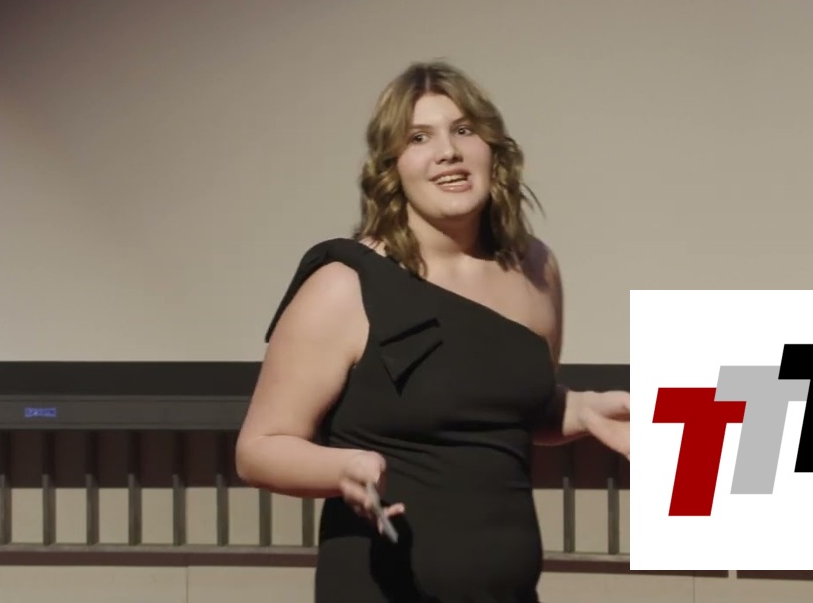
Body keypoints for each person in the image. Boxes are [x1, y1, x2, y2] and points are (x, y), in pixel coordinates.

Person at [235, 60, 630, 602]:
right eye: (419, 137)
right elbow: (259, 448)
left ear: (492, 149)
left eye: (463, 130)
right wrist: (342, 468)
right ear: (392, 166)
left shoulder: (535, 269)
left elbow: (501, 410)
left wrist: (582, 411)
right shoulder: (345, 286)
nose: (448, 151)